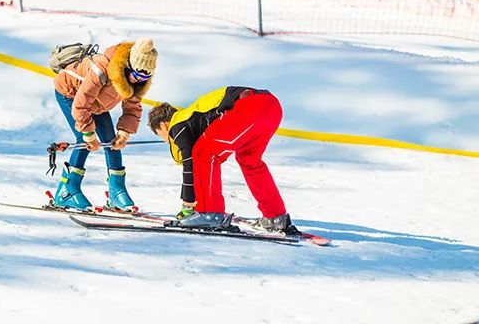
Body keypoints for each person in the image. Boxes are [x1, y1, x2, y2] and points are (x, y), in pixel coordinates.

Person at [147, 86, 299, 234]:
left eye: (159, 134)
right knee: (249, 160)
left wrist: (187, 204)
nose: (165, 140)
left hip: (249, 106)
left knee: (203, 153)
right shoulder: (191, 115)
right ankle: (275, 216)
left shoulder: (177, 124)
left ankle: (210, 213)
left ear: (163, 124)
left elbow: (190, 162)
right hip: (271, 106)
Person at [53, 38, 158, 211]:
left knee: (111, 142)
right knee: (83, 139)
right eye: (138, 74)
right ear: (129, 65)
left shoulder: (137, 80)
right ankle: (66, 191)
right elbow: (81, 103)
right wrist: (89, 134)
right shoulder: (103, 68)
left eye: (146, 77)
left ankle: (116, 191)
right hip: (70, 94)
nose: (139, 80)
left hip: (96, 103)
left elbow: (132, 107)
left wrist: (124, 133)